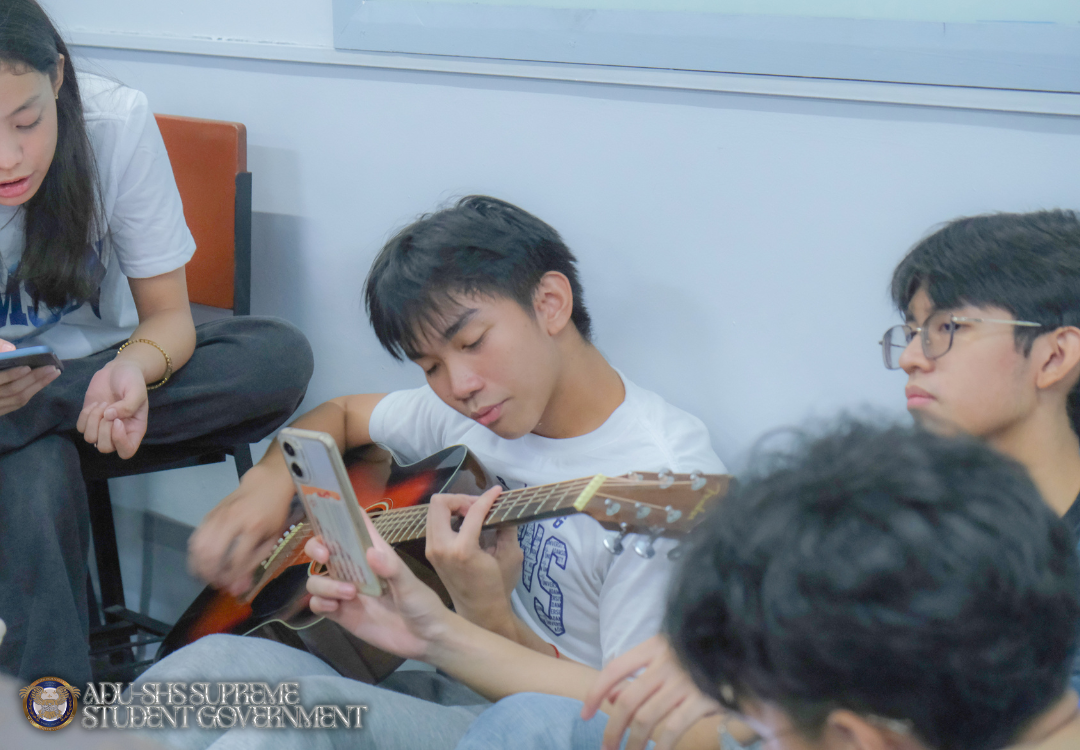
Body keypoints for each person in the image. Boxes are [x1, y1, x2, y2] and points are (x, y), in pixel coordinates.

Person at [456, 210, 1080, 750]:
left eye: (948, 330)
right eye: (912, 332)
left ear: (1054, 355)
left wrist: (757, 683)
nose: (913, 357)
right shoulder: (911, 504)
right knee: (529, 723)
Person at [150, 195, 724, 748]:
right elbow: (343, 414)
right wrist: (268, 482)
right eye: (430, 367)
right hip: (448, 676)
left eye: (472, 342)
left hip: (546, 722)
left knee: (294, 723)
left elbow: (637, 724)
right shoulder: (480, 410)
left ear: (550, 303)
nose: (459, 387)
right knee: (202, 671)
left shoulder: (661, 484)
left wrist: (484, 616)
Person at [0, 0, 313, 689]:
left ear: (58, 79)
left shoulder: (113, 123)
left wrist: (134, 370)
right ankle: (50, 720)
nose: (9, 158)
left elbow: (169, 318)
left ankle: (28, 418)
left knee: (276, 354)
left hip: (106, 386)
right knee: (31, 469)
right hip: (30, 410)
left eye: (26, 122)